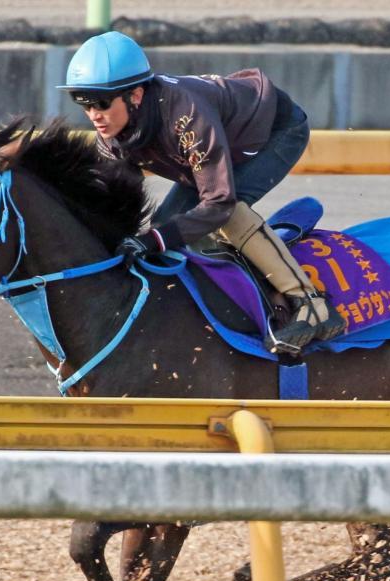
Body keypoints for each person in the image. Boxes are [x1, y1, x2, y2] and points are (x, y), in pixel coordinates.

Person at [58, 30, 346, 355]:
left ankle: (311, 305)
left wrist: (155, 238)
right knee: (165, 224)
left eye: (101, 103)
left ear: (135, 96)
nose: (94, 115)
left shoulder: (185, 114)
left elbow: (218, 203)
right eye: (82, 103)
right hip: (216, 143)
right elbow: (117, 206)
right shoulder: (111, 134)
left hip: (275, 133)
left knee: (227, 213)